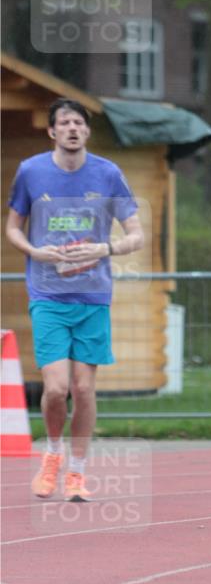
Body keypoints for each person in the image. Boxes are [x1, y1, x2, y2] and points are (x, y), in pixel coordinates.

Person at [6, 97, 144, 501]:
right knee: (55, 389)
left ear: (87, 131)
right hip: (47, 295)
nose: (72, 128)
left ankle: (78, 472)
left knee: (83, 390)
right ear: (52, 131)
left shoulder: (107, 173)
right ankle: (51, 454)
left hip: (93, 296)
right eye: (64, 122)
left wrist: (105, 249)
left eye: (78, 123)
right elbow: (13, 227)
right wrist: (34, 251)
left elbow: (135, 234)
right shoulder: (31, 171)